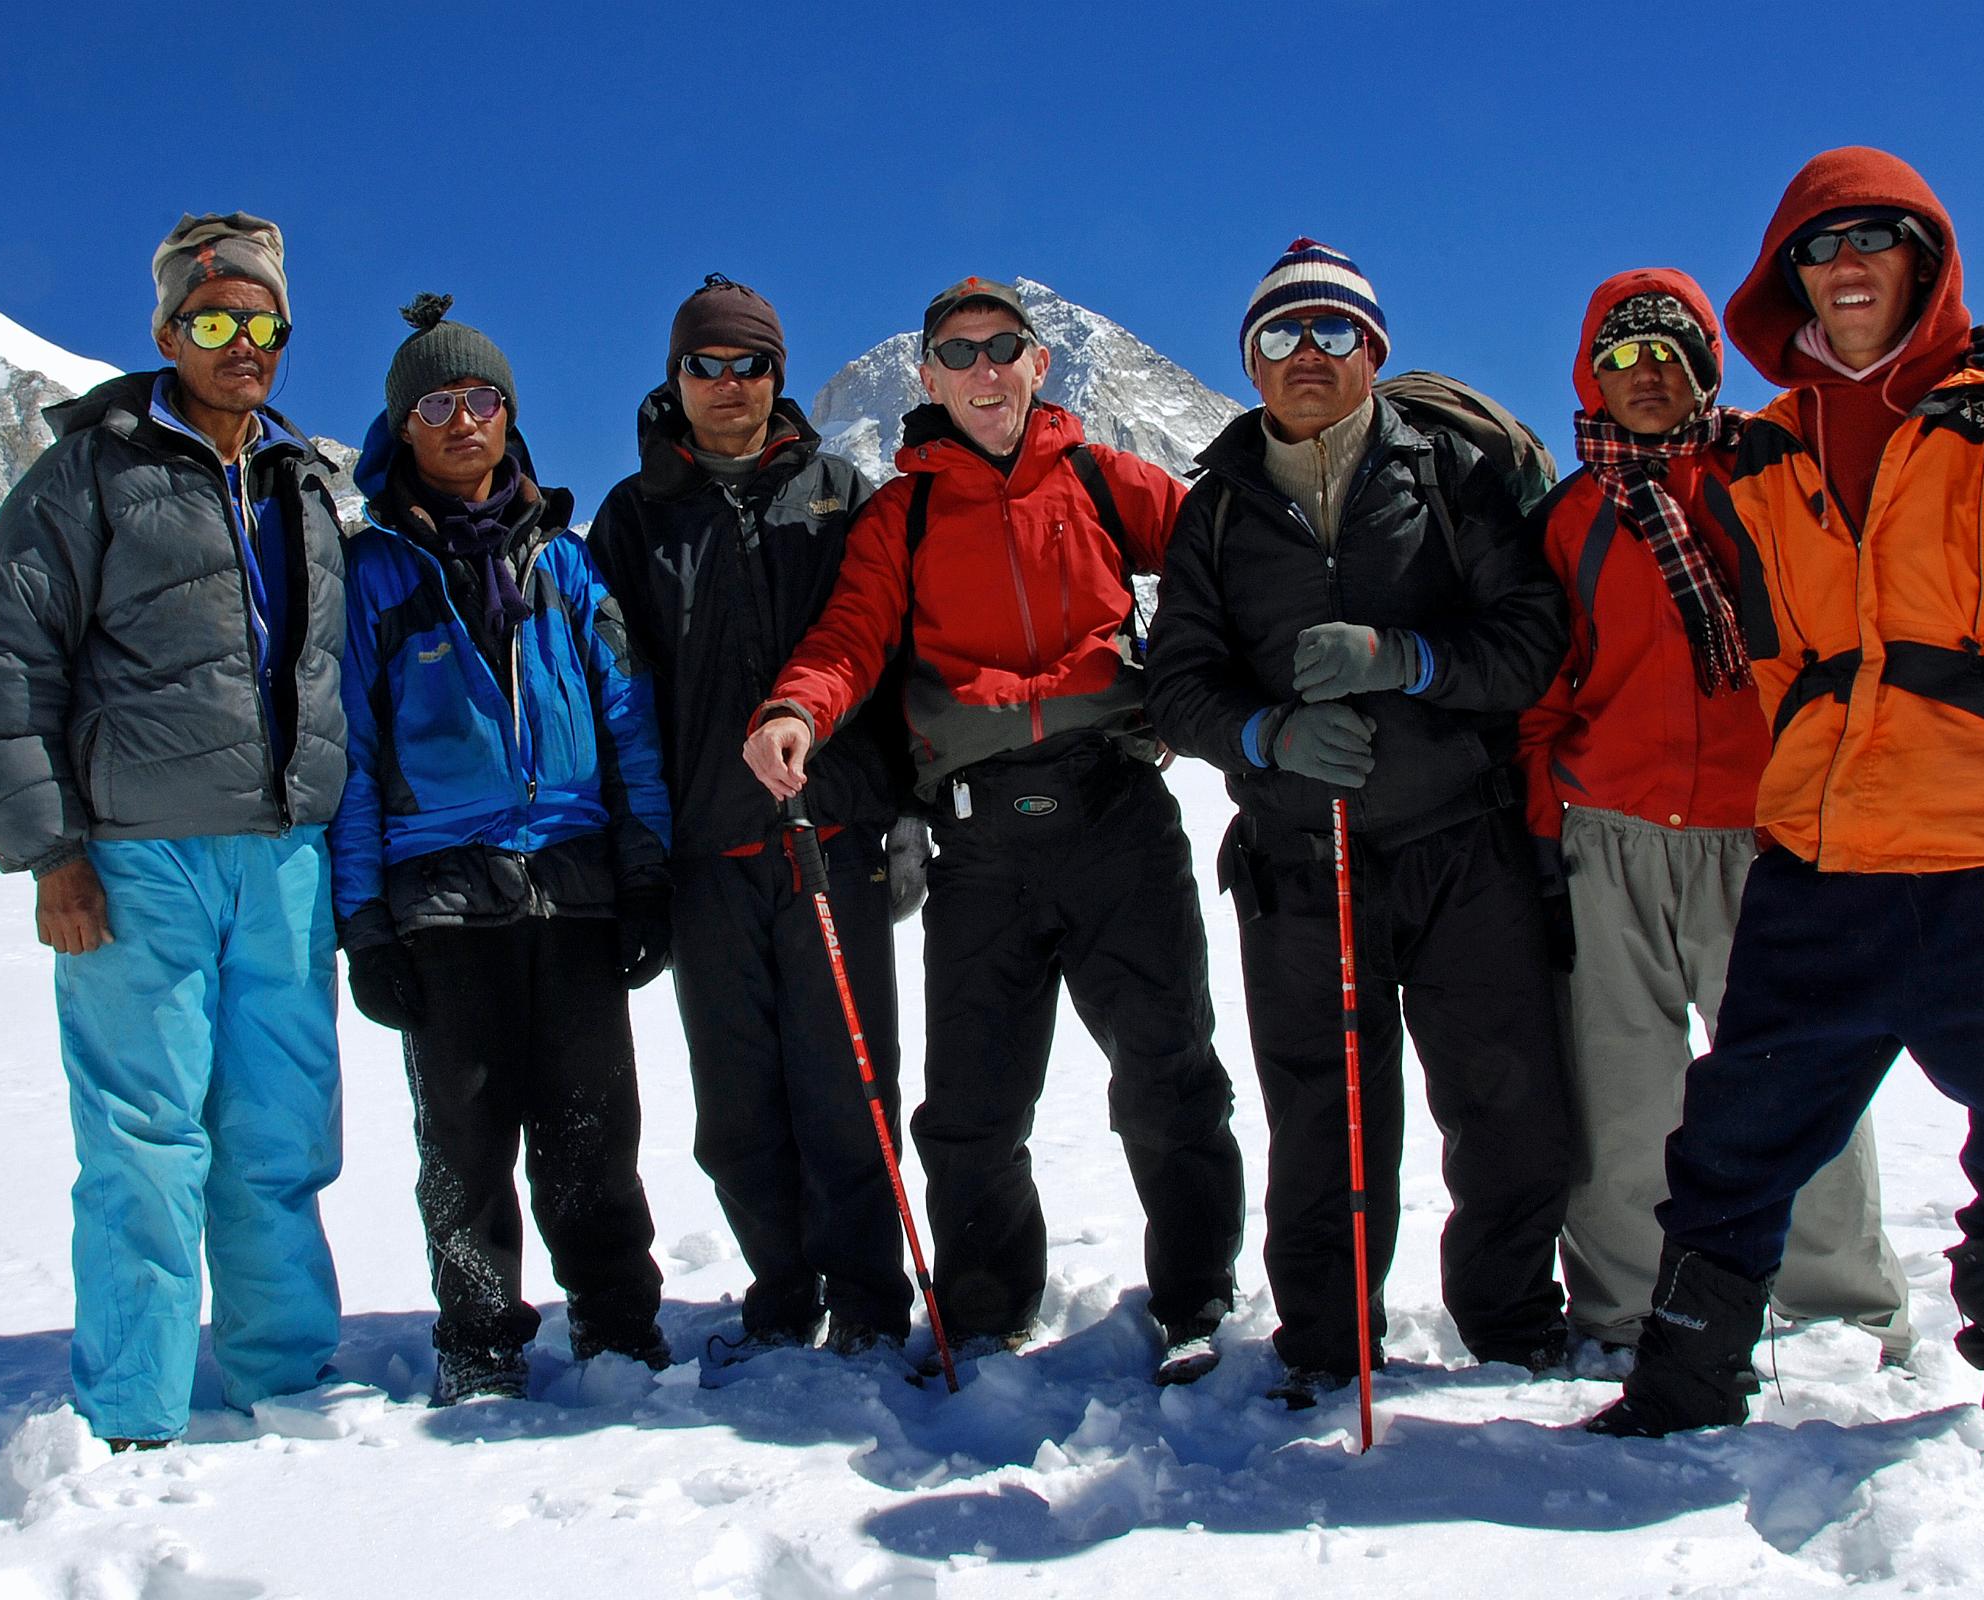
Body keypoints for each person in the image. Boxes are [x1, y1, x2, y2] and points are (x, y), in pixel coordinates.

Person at [1586, 150, 1984, 1523]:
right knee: (1735, 1127)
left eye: (1872, 242)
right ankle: (1680, 1386)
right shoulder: (1770, 456)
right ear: (1788, 279)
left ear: (1920, 260)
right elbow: (1784, 658)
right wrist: (1821, 774)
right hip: (1826, 862)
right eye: (1816, 248)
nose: (1843, 269)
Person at [741, 277, 1246, 1380]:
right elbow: (848, 637)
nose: (981, 370)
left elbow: (1227, 552)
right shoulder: (901, 514)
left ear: (1036, 364)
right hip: (978, 843)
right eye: (957, 354)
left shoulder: (1106, 481)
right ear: (926, 377)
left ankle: (1197, 1299)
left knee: (1167, 1073)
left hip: (1113, 810)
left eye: (1001, 348)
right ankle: (980, 1311)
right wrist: (794, 710)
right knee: (971, 1104)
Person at [1146, 238, 1575, 1404]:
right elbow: (1176, 684)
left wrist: (1411, 657)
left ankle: (1508, 1315)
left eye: (1332, 332)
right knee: (1320, 1110)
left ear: (1372, 351)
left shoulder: (1450, 474)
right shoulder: (1217, 511)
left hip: (1456, 838)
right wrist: (1266, 735)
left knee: (1501, 1096)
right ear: (1250, 361)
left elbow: (1532, 643)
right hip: (1298, 855)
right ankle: (1327, 1341)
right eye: (1280, 335)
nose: (1306, 354)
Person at [0, 212, 347, 1448]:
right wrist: (50, 854)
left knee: (279, 1133)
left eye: (263, 322)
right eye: (216, 319)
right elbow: (4, 670)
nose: (244, 343)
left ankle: (287, 1376)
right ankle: (130, 1402)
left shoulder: (305, 480)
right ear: (169, 329)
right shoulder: (87, 474)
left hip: (283, 858)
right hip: (136, 859)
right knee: (143, 1141)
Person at [1517, 270, 1911, 1362]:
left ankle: (1835, 1312)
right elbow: (1542, 687)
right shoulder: (1568, 516)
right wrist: (1547, 830)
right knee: (1621, 1099)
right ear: (1588, 374)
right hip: (1611, 833)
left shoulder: (1771, 480)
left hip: (1764, 834)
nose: (1644, 377)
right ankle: (1625, 1315)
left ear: (1704, 366)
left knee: (1801, 1082)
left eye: (1666, 355)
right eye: (1621, 357)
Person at [332, 295, 674, 1404]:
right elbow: (347, 753)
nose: (464, 419)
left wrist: (646, 864)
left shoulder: (566, 567)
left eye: (483, 398)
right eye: (437, 402)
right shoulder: (372, 576)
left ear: (509, 415)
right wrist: (362, 919)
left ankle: (618, 1325)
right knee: (465, 1147)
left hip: (571, 886)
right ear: (404, 426)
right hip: (439, 902)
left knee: (592, 1130)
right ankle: (478, 1346)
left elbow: (627, 717)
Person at [588, 275, 916, 1363]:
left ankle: (868, 1294)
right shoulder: (632, 520)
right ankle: (783, 1284)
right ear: (673, 379)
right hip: (704, 855)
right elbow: (615, 702)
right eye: (704, 367)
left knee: (849, 1084)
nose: (728, 388)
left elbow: (887, 654)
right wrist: (634, 852)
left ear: (778, 377)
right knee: (735, 1109)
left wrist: (902, 813)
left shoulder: (839, 492)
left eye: (750, 367)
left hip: (829, 837)